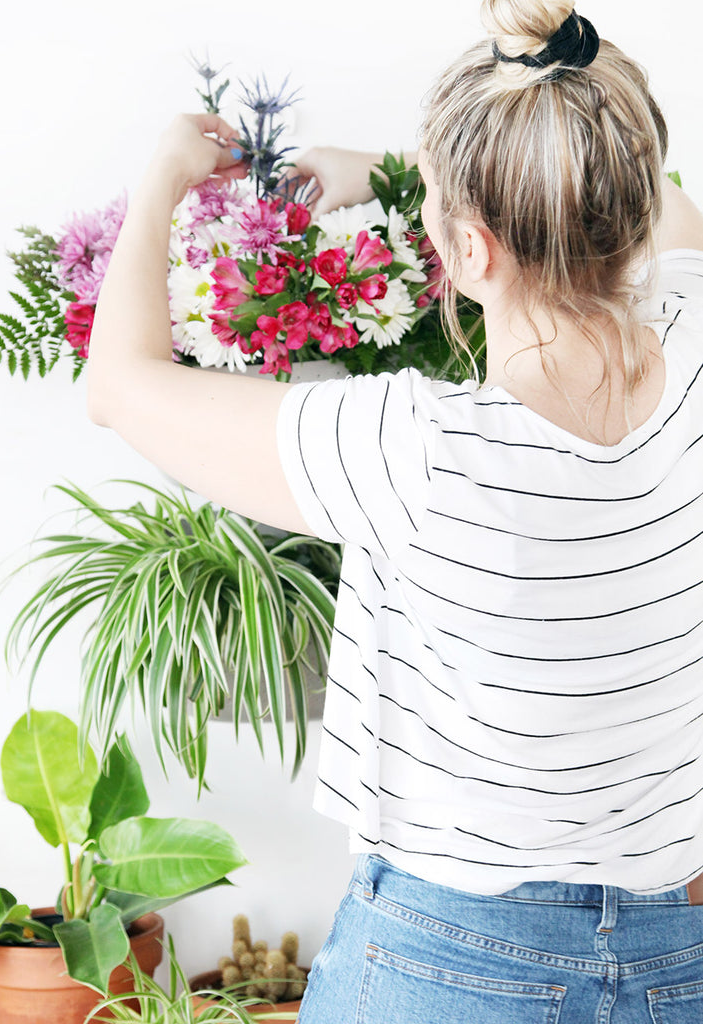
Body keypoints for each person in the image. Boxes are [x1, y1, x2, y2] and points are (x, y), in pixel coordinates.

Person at [87, 1, 703, 1020]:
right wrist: (498, 117)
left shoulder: (415, 450)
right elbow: (659, 196)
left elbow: (119, 384)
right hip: (674, 966)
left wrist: (160, 174)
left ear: (468, 250)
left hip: (447, 971)